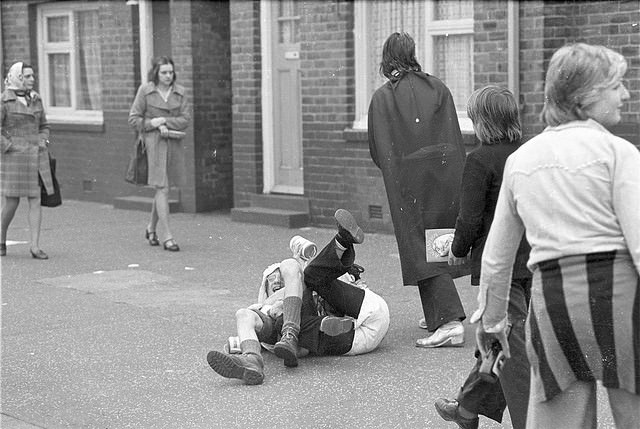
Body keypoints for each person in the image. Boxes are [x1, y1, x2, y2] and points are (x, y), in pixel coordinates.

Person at [471, 43, 639, 429]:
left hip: (556, 305)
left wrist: (492, 324)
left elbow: (496, 259)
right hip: (621, 301)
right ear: (587, 96)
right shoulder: (619, 153)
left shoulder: (521, 160)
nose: (625, 95)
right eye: (617, 86)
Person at [434, 86, 531, 429]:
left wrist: (457, 250)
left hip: (499, 267)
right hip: (533, 261)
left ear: (484, 121)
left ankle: (526, 421)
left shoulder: (479, 160)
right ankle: (467, 408)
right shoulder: (527, 153)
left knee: (510, 348)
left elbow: (470, 218)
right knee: (502, 336)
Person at [206, 209, 390, 385]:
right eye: (272, 282)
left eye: (280, 280)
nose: (278, 283)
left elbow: (300, 275)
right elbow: (300, 351)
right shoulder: (261, 311)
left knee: (302, 273)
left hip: (366, 312)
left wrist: (283, 294)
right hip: (349, 340)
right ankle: (252, 361)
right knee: (244, 314)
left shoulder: (305, 290)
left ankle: (292, 332)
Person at [368, 32, 467, 347]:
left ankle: (450, 320)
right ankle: (437, 312)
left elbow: (378, 150)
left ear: (386, 58)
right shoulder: (438, 87)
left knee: (416, 244)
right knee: (436, 239)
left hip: (406, 182)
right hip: (442, 176)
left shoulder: (384, 97)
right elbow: (452, 133)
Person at [128, 56, 190, 251]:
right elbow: (133, 119)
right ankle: (168, 236)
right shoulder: (145, 91)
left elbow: (185, 119)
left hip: (173, 143)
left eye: (170, 72)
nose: (168, 76)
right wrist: (152, 124)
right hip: (153, 144)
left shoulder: (180, 93)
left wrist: (163, 120)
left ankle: (151, 229)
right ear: (156, 73)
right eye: (163, 72)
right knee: (162, 188)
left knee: (162, 188)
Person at [1, 62, 54, 259]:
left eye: (33, 76)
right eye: (28, 76)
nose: (32, 79)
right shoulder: (4, 100)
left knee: (35, 199)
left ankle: (35, 246)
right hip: (14, 157)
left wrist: (44, 140)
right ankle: (1, 238)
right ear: (18, 77)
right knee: (12, 202)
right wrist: (9, 146)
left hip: (36, 156)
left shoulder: (36, 99)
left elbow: (45, 125)